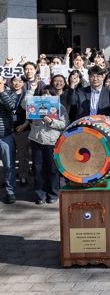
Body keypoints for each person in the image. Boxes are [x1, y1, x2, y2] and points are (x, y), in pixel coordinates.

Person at [22, 86, 67, 204]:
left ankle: (53, 193)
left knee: (52, 169)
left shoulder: (59, 107)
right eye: (43, 94)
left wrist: (51, 121)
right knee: (38, 168)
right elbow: (24, 104)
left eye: (48, 94)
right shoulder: (35, 105)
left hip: (52, 141)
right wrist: (31, 90)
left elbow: (64, 124)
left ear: (53, 96)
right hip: (37, 140)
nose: (46, 96)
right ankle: (40, 194)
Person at [0, 76, 18, 204]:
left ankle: (10, 192)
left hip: (5, 135)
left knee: (8, 165)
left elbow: (11, 106)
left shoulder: (11, 93)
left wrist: (1, 91)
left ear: (3, 81)